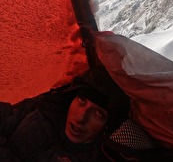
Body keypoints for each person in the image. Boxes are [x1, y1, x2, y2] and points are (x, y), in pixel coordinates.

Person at [0, 69, 130, 161]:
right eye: (82, 100)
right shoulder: (45, 109)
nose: (81, 118)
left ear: (107, 125)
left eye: (98, 113)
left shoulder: (97, 156)